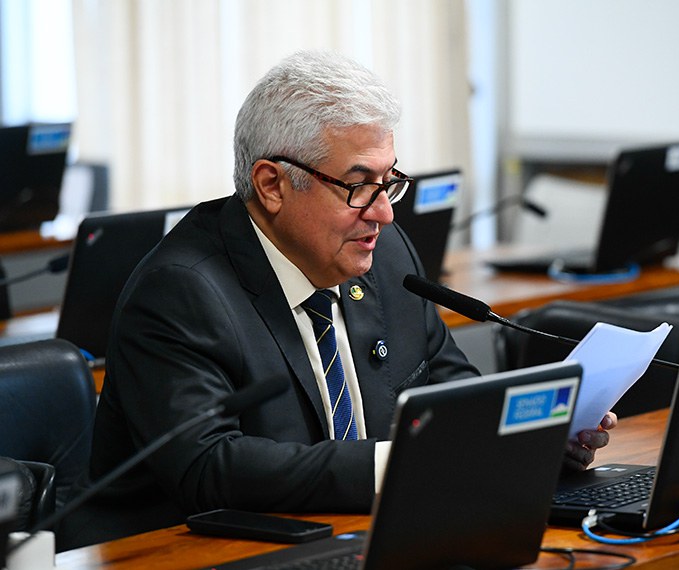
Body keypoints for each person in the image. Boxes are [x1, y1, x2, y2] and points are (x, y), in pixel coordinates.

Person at [59, 50, 616, 550]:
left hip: (351, 538)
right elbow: (209, 465)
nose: (384, 212)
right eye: (358, 186)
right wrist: (398, 465)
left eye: (388, 181)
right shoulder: (181, 290)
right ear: (272, 184)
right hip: (185, 552)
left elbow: (447, 385)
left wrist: (531, 437)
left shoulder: (384, 253)